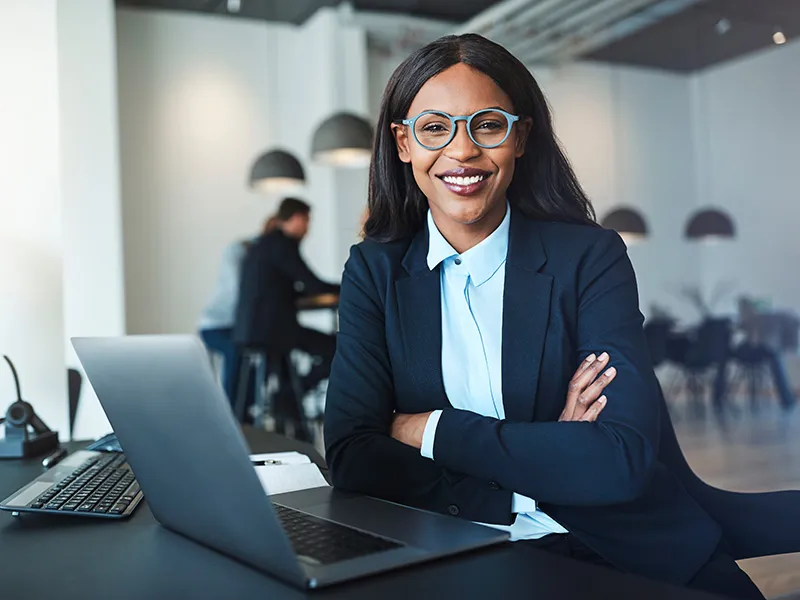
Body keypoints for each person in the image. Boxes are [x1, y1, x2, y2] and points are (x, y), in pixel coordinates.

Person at [323, 34, 765, 600]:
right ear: (404, 143)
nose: (462, 152)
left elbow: (619, 459)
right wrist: (542, 460)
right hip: (460, 550)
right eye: (436, 128)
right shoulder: (375, 272)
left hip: (631, 548)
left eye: (487, 125)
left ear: (520, 136)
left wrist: (426, 427)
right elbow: (353, 456)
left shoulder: (590, 258)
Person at [233, 198, 340, 414]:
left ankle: (287, 401)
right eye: (307, 221)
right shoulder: (282, 245)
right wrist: (351, 286)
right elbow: (313, 284)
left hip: (252, 330)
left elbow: (288, 287)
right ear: (297, 218)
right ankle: (290, 395)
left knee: (305, 352)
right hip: (272, 331)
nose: (308, 228)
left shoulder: (265, 244)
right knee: (339, 347)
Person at [198, 215, 279, 404]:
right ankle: (233, 413)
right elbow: (238, 290)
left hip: (243, 325)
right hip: (216, 324)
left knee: (269, 350)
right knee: (237, 351)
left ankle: (252, 412)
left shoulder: (266, 256)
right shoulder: (239, 250)